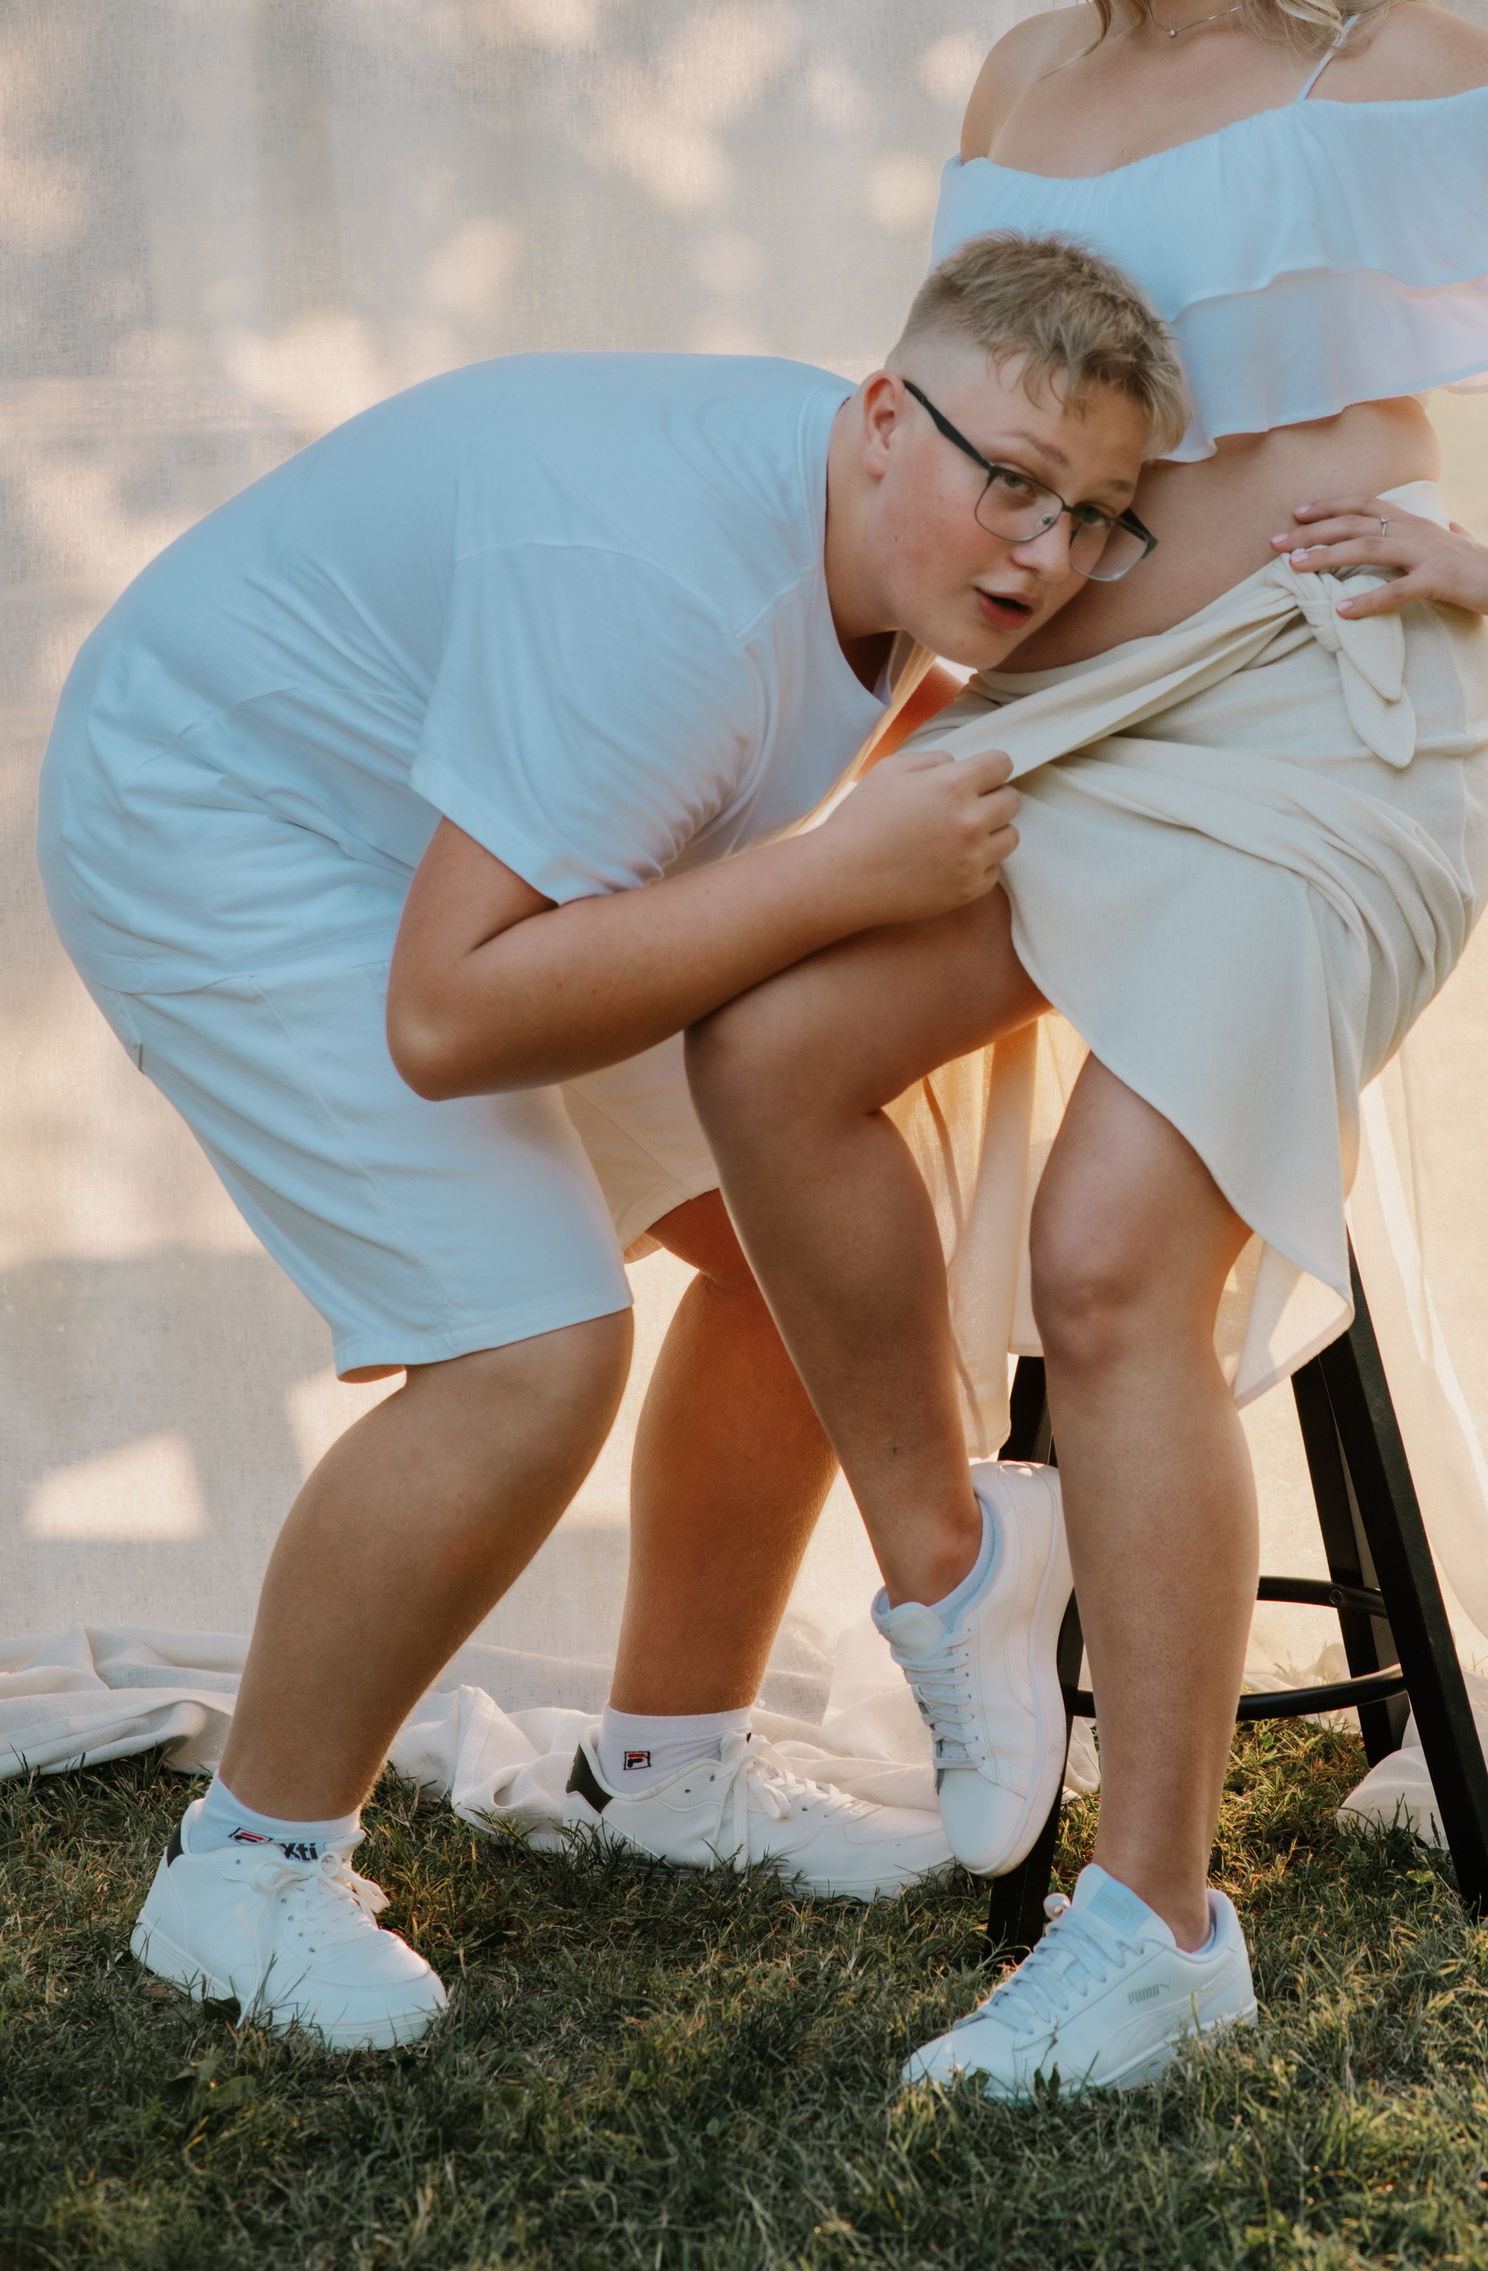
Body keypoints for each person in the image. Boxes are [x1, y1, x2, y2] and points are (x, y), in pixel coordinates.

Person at [685, 0, 1488, 2100]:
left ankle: (1159, 1924)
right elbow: (981, 453)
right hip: (1068, 723)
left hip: (1320, 733)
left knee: (1106, 1264)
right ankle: (966, 1570)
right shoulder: (1024, 72)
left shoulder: (1383, 61)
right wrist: (872, 739)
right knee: (761, 1042)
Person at [35, 233, 1190, 2050]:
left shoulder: (889, 536)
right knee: (531, 1353)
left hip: (437, 842)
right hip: (224, 810)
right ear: (885, 415)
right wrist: (837, 875)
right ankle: (244, 1867)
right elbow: (448, 1019)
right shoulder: (669, 591)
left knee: (799, 1224)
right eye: (1016, 486)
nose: (1045, 554)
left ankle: (666, 1769)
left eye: (1097, 516)